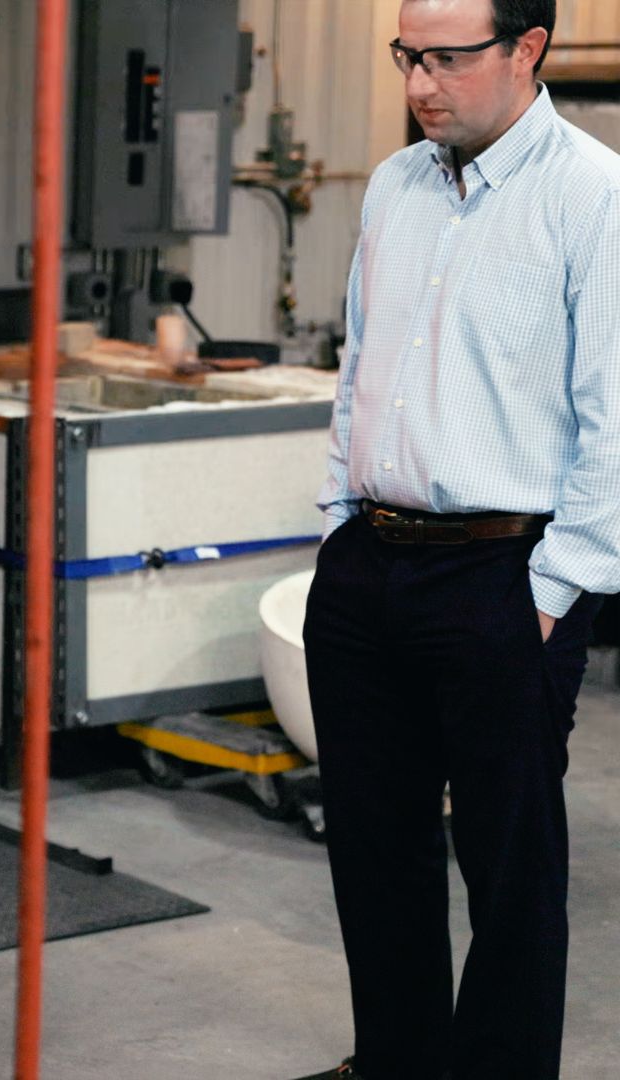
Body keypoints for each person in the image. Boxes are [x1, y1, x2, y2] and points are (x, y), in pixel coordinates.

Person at [297, 1, 620, 1077]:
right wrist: (339, 521)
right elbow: (360, 370)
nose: (421, 82)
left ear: (527, 48)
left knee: (509, 867)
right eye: (408, 57)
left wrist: (552, 590)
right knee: (374, 851)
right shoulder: (396, 185)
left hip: (503, 575)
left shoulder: (593, 195)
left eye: (447, 57)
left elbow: (614, 418)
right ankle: (395, 1062)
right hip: (368, 564)